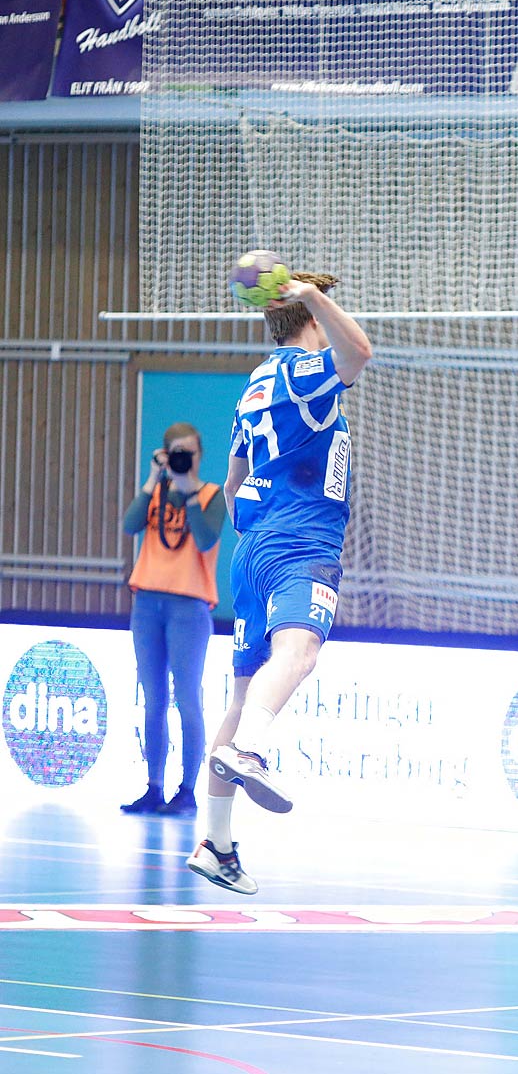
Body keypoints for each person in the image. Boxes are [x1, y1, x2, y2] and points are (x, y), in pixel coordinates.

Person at [187, 269, 372, 896]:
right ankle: (249, 755)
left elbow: (234, 483)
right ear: (311, 320)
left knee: (243, 697)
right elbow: (361, 354)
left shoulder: (253, 387)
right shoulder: (300, 371)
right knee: (301, 651)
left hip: (255, 546)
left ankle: (216, 844)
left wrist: (260, 523)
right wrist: (313, 294)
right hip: (300, 545)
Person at [120, 423, 226, 817]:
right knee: (153, 701)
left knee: (187, 699)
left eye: (189, 453)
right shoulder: (156, 493)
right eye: (174, 453)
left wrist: (187, 490)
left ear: (199, 455)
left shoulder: (212, 495)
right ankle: (153, 786)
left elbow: (205, 539)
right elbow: (130, 525)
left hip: (189, 607)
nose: (183, 459)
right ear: (164, 455)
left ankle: (187, 790)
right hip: (147, 602)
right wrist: (154, 479)